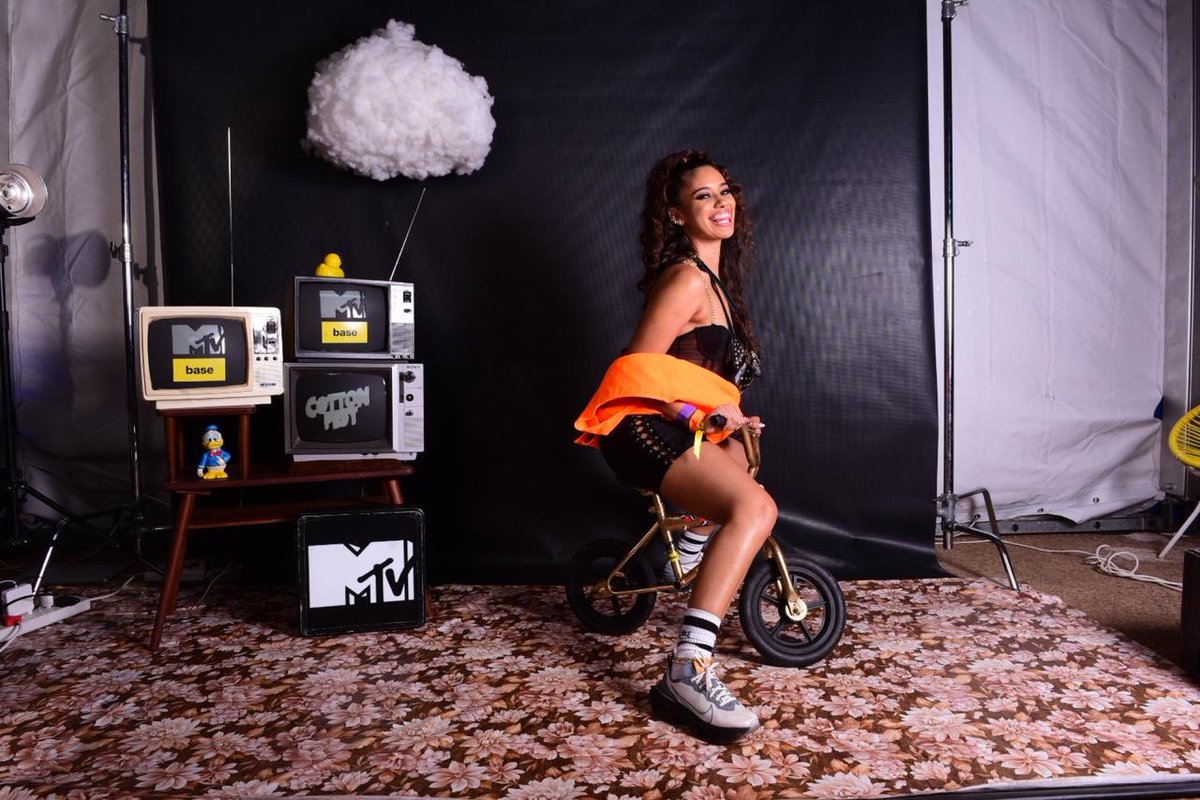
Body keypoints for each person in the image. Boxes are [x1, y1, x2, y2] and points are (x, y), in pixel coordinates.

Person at [574, 149, 772, 744]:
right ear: (677, 214)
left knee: (744, 465)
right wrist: (697, 414)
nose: (721, 202)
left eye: (724, 190)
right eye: (703, 196)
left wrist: (728, 417)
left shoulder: (718, 283)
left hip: (683, 426)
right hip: (640, 428)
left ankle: (683, 550)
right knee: (755, 510)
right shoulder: (686, 278)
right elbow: (636, 374)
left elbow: (699, 379)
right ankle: (687, 671)